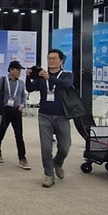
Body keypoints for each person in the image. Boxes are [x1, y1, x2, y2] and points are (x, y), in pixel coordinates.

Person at [26, 49, 73, 188]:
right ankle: (48, 174)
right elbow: (30, 88)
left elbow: (66, 84)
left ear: (61, 61)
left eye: (54, 58)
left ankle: (57, 163)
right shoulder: (42, 76)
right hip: (44, 116)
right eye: (49, 58)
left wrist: (49, 78)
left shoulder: (66, 75)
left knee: (65, 147)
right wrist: (28, 76)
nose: (51, 61)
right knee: (46, 148)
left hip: (62, 116)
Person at [0, 60, 29, 169]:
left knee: (19, 135)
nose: (19, 72)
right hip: (4, 110)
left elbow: (23, 95)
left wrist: (22, 104)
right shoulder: (2, 80)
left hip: (16, 111)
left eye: (20, 70)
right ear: (11, 70)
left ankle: (22, 158)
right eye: (17, 70)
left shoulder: (21, 83)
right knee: (1, 131)